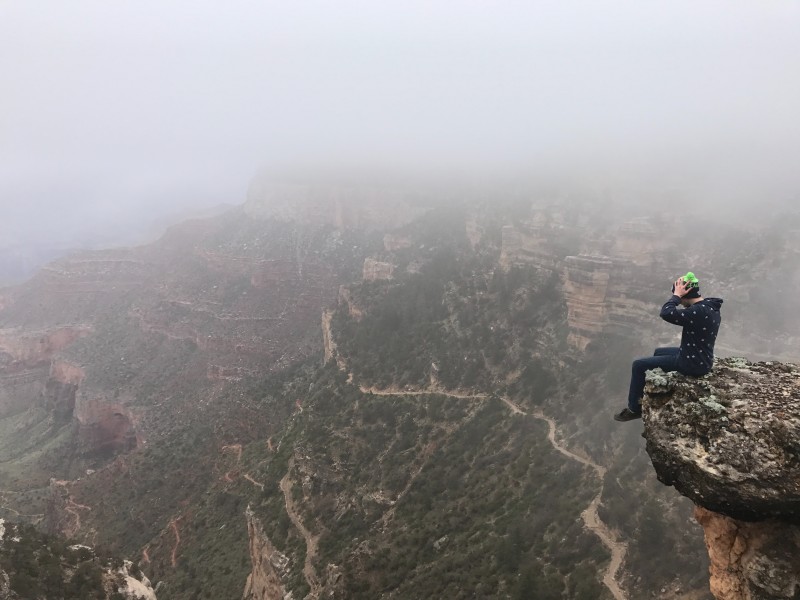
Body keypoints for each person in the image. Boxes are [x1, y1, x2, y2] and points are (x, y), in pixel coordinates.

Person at [614, 272, 723, 422]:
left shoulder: (698, 312)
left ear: (685, 294)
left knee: (638, 365)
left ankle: (634, 409)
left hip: (692, 363)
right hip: (700, 356)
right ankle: (651, 387)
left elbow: (666, 313)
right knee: (659, 352)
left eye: (679, 295)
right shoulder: (709, 305)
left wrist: (676, 297)